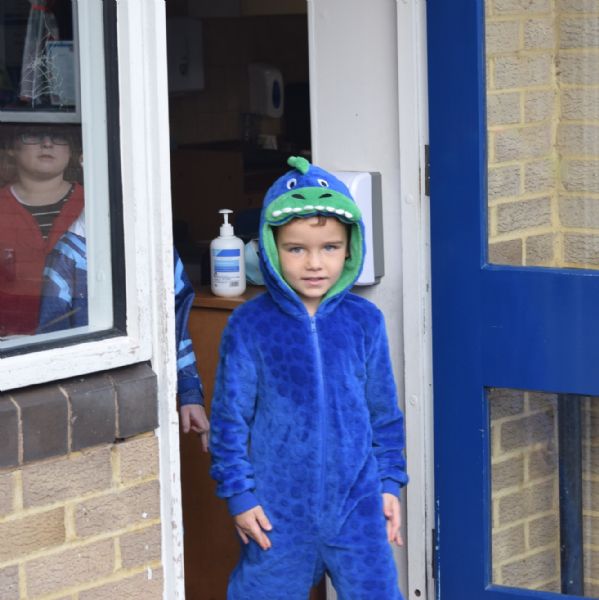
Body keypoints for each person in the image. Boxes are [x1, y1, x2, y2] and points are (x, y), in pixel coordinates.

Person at [208, 156, 408, 599]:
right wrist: (240, 496)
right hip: (277, 512)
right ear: (269, 248)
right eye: (296, 249)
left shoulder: (365, 321)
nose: (315, 263)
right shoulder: (250, 325)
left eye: (330, 247)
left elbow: (384, 414)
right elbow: (228, 421)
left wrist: (389, 484)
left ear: (350, 247)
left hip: (357, 507)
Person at [38, 222, 209, 448]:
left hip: (151, 396)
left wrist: (190, 392)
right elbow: (52, 344)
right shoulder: (69, 254)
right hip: (88, 404)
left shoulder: (158, 243)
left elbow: (174, 326)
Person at [0, 124, 84, 337]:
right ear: (11, 147)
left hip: (84, 340)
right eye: (33, 135)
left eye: (58, 136)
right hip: (9, 343)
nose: (47, 143)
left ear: (72, 150)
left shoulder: (95, 202)